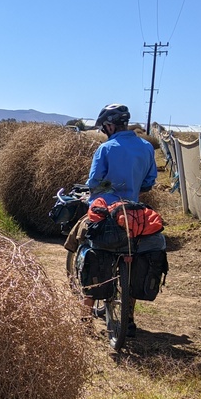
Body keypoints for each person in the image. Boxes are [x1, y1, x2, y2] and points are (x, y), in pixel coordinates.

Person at [69, 103, 158, 333]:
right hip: (133, 214)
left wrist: (108, 190)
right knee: (134, 255)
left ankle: (85, 317)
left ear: (109, 125)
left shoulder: (106, 149)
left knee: (82, 242)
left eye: (104, 127)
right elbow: (149, 182)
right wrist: (131, 188)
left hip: (106, 214)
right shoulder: (147, 147)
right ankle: (127, 320)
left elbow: (95, 183)